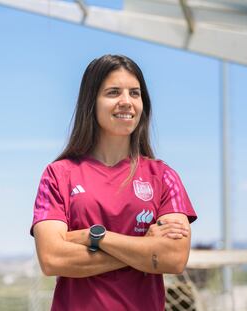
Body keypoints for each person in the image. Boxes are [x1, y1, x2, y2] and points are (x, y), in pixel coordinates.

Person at [30, 54, 197, 311]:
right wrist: (144, 247)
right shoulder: (58, 175)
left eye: (134, 93)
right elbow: (52, 258)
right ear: (91, 102)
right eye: (113, 92)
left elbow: (173, 258)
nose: (126, 102)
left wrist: (94, 237)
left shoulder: (164, 177)